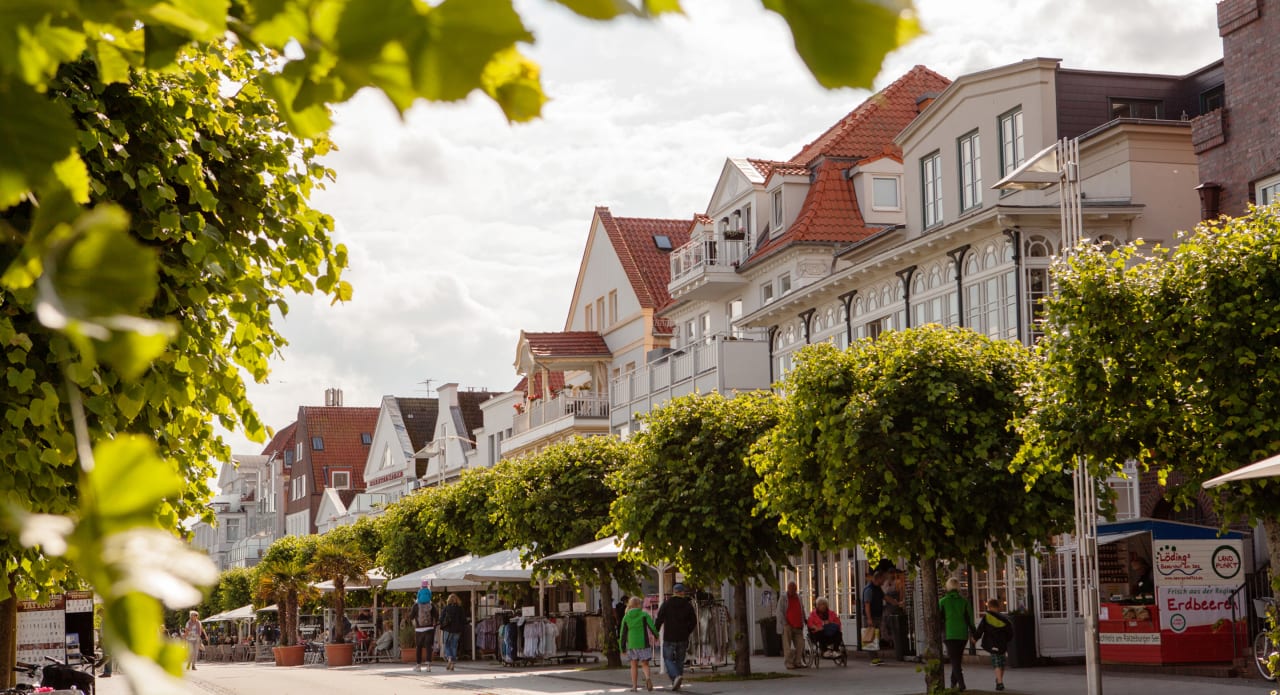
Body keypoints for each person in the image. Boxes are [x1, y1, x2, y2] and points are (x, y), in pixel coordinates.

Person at [655, 583, 697, 692]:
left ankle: (675, 677)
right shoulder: (688, 605)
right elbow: (693, 621)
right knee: (680, 659)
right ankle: (676, 681)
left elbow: (659, 619)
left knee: (668, 659)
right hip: (683, 636)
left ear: (674, 592)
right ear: (682, 592)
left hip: (669, 636)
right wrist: (687, 631)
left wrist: (656, 631)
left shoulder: (666, 604)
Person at [939, 577, 976, 691]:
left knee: (955, 661)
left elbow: (939, 619)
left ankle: (961, 683)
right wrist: (974, 633)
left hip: (949, 634)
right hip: (962, 634)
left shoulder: (943, 601)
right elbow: (970, 619)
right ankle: (953, 683)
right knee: (957, 659)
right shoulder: (964, 602)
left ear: (948, 587)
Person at [618, 596, 659, 692]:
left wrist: (622, 647)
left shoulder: (626, 616)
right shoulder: (644, 615)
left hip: (632, 644)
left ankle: (634, 686)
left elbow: (622, 633)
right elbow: (652, 626)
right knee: (645, 664)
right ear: (639, 605)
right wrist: (656, 635)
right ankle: (648, 678)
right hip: (643, 643)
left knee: (633, 666)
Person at [974, 598, 1013, 691]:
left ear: (989, 607)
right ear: (998, 607)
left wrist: (975, 638)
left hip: (992, 644)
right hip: (1002, 644)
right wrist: (1007, 640)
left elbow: (980, 629)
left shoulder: (986, 618)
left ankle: (999, 683)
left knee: (996, 663)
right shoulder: (1005, 619)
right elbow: (1010, 633)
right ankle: (999, 680)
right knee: (1002, 663)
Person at [775, 581, 806, 669]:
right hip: (787, 625)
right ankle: (788, 663)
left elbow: (801, 609)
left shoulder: (799, 597)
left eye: (794, 588)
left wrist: (803, 620)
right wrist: (785, 623)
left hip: (798, 625)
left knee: (800, 644)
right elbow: (779, 611)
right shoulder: (783, 597)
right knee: (787, 646)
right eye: (791, 588)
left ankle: (797, 661)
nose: (793, 590)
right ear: (788, 589)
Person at [862, 569, 886, 665]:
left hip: (877, 615)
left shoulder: (878, 588)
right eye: (883, 579)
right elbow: (867, 605)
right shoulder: (869, 589)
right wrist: (869, 619)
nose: (884, 581)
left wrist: (896, 602)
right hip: (871, 617)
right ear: (878, 578)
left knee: (876, 637)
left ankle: (875, 657)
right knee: (871, 637)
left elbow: (884, 597)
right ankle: (873, 658)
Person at [413, 578, 438, 672]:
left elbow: (411, 616)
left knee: (418, 647)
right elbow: (436, 615)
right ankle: (428, 666)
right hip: (429, 628)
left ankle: (418, 665)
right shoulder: (431, 604)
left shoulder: (416, 605)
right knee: (428, 647)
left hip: (419, 629)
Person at [439, 593, 467, 671]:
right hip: (457, 630)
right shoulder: (460, 609)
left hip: (448, 629)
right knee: (454, 645)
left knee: (447, 644)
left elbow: (441, 619)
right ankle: (453, 662)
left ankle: (450, 658)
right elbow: (464, 620)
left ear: (449, 600)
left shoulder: (446, 608)